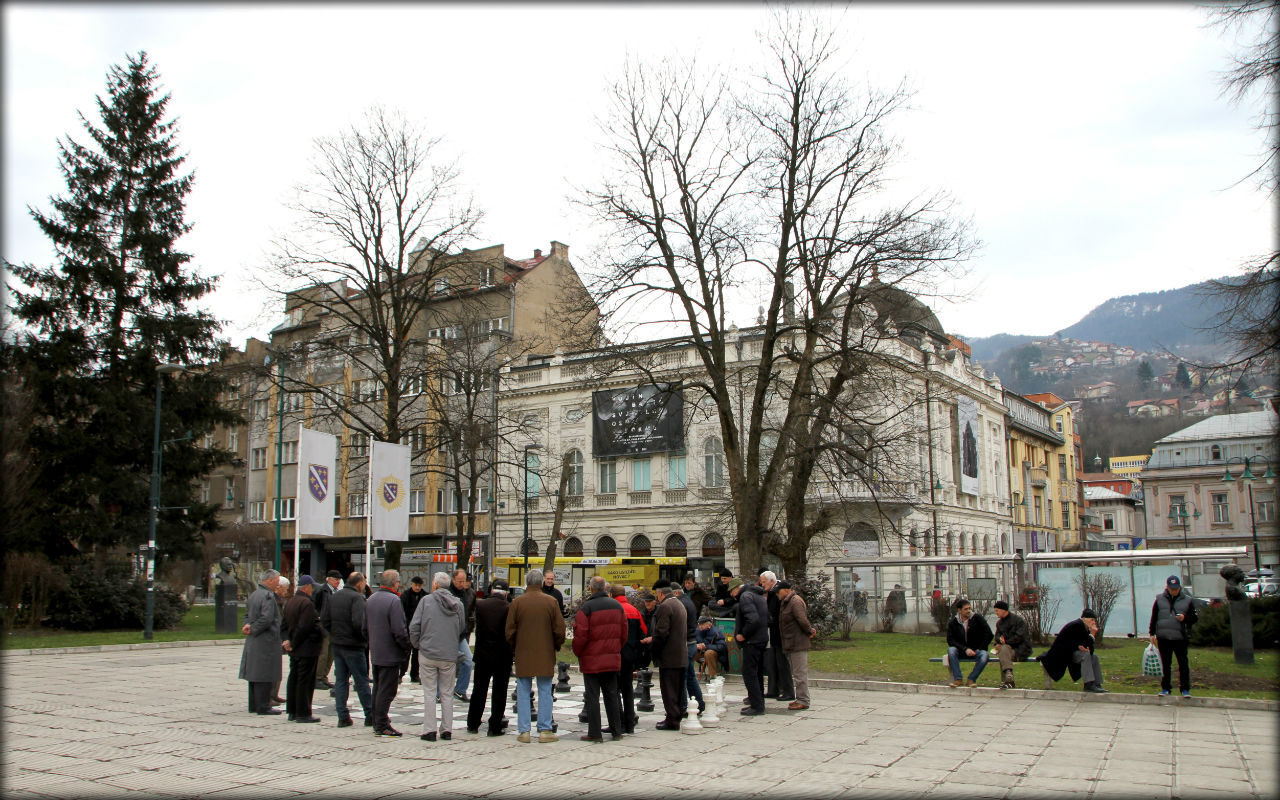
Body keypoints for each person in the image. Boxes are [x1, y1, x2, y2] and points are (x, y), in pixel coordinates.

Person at [505, 569, 565, 743]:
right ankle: (545, 730)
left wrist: (516, 645)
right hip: (545, 651)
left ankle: (524, 731)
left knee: (523, 690)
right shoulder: (551, 601)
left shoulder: (517, 602)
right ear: (540, 583)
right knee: (545, 690)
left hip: (523, 651)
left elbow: (509, 630)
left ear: (527, 583)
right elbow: (559, 630)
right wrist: (555, 645)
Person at [409, 572, 465, 742]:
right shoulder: (458, 604)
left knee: (429, 692)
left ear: (435, 585)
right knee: (447, 693)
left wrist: (418, 644)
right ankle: (447, 729)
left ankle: (429, 730)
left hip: (428, 652)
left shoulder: (426, 601)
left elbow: (414, 626)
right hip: (448, 654)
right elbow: (461, 627)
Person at [572, 576, 628, 742]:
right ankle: (616, 731)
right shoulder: (617, 606)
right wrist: (616, 648)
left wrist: (579, 652)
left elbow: (580, 635)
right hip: (611, 658)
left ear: (591, 589)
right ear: (605, 589)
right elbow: (624, 633)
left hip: (591, 660)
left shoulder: (586, 608)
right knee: (612, 694)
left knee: (592, 697)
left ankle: (595, 733)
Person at [321, 572, 374, 728]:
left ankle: (342, 716)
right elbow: (359, 623)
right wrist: (364, 638)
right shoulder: (357, 598)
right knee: (361, 680)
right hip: (354, 645)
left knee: (341, 681)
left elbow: (325, 620)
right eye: (364, 582)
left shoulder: (334, 596)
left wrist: (334, 634)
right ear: (358, 584)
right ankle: (370, 714)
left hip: (338, 643)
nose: (365, 586)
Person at [365, 569, 411, 736]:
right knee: (387, 690)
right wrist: (406, 646)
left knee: (378, 687)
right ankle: (382, 723)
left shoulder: (371, 599)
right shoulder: (394, 600)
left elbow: (365, 626)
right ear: (396, 583)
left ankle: (377, 719)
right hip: (391, 652)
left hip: (376, 651)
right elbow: (399, 629)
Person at [467, 579, 513, 736]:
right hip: (502, 656)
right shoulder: (509, 607)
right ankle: (494, 725)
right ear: (506, 593)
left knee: (479, 689)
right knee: (500, 691)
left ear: (492, 590)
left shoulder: (481, 605)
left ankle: (472, 723)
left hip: (482, 654)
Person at [643, 583, 688, 731]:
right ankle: (676, 716)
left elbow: (662, 632)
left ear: (661, 594)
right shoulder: (679, 604)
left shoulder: (665, 607)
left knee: (669, 689)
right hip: (680, 654)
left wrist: (653, 645)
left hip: (669, 656)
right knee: (678, 689)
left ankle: (672, 719)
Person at [239, 569, 284, 715]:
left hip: (254, 640)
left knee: (254, 673)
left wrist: (247, 626)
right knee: (264, 673)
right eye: (277, 581)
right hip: (266, 640)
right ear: (269, 580)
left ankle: (253, 705)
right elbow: (267, 618)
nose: (278, 584)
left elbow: (247, 614)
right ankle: (263, 706)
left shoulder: (254, 594)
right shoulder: (268, 596)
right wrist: (253, 628)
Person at [282, 575, 323, 723]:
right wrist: (294, 642)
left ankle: (292, 711)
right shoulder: (306, 603)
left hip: (295, 648)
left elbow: (284, 625)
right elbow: (305, 626)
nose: (312, 590)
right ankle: (303, 712)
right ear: (306, 587)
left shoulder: (290, 602)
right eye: (311, 587)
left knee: (294, 677)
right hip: (306, 648)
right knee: (305, 681)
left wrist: (287, 640)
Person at [1150, 575, 1198, 697]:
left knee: (1183, 664)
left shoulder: (1187, 600)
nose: (1174, 591)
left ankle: (1185, 689)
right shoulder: (1159, 599)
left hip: (1180, 637)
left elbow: (1194, 618)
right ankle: (1166, 688)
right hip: (1163, 637)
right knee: (1165, 664)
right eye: (1172, 588)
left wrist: (1185, 618)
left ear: (1179, 587)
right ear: (1167, 587)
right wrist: (1152, 633)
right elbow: (1154, 617)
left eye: (1176, 588)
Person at [1040, 609, 1107, 693]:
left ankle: (1097, 684)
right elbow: (1082, 643)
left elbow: (1089, 648)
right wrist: (1092, 634)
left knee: (1094, 657)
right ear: (1084, 619)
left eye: (1094, 620)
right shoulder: (1077, 626)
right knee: (1085, 656)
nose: (1093, 622)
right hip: (1063, 655)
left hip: (1071, 653)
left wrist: (1085, 645)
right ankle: (1088, 684)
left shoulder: (1084, 627)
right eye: (1091, 620)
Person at [610, 584, 646, 734]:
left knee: (614, 689)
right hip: (631, 655)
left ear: (611, 594)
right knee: (628, 690)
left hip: (615, 654)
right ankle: (630, 723)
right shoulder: (635, 611)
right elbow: (643, 632)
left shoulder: (612, 609)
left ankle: (618, 722)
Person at [777, 580, 816, 710]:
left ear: (786, 590)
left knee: (800, 674)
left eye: (778, 591)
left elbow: (802, 620)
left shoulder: (795, 601)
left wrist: (810, 631)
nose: (777, 594)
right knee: (797, 673)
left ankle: (803, 700)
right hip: (792, 642)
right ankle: (799, 698)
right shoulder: (787, 602)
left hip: (798, 642)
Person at [732, 577, 768, 715]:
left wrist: (743, 634)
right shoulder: (758, 595)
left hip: (752, 641)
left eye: (732, 591)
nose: (731, 595)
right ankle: (758, 703)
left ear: (737, 589)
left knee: (749, 673)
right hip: (761, 639)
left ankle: (756, 706)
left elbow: (753, 620)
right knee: (757, 672)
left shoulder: (746, 597)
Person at [669, 582, 705, 716]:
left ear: (676, 593)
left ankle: (683, 707)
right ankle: (699, 704)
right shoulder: (688, 601)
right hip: (692, 642)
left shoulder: (680, 604)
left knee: (682, 678)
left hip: (684, 643)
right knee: (690, 676)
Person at [760, 571, 794, 701]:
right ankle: (773, 689)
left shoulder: (777, 594)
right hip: (773, 635)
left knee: (782, 663)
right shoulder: (770, 594)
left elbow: (778, 614)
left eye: (764, 582)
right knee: (772, 663)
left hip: (779, 634)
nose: (762, 585)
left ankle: (788, 690)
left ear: (771, 581)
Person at [945, 598, 994, 687]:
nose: (968, 611)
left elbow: (989, 634)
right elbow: (950, 640)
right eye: (966, 609)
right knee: (951, 650)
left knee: (984, 655)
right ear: (959, 610)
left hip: (976, 650)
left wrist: (979, 648)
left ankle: (971, 679)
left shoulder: (977, 618)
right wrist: (965, 649)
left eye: (969, 608)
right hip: (961, 650)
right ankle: (958, 679)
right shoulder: (953, 622)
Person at [448, 569, 477, 702]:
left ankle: (460, 690)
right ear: (453, 580)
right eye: (459, 581)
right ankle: (438, 693)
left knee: (468, 661)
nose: (461, 584)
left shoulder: (468, 593)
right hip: (448, 634)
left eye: (463, 581)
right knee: (444, 664)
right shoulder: (448, 593)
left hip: (461, 633)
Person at [992, 600, 1033, 689]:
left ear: (1003, 610)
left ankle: (1007, 680)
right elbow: (997, 636)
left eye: (997, 610)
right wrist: (998, 643)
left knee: (1003, 650)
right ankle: (1008, 677)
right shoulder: (999, 623)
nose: (996, 613)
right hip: (1007, 650)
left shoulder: (1018, 621)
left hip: (1020, 649)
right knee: (1003, 650)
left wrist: (1005, 642)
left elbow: (1020, 637)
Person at [313, 570, 342, 690]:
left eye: (339, 580)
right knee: (323, 653)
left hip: (333, 625)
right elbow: (316, 607)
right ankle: (318, 677)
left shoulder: (336, 592)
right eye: (335, 579)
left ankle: (324, 676)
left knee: (331, 654)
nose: (338, 581)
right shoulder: (322, 591)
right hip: (324, 626)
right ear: (328, 579)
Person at [400, 576, 427, 683]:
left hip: (419, 629)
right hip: (407, 628)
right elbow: (402, 612)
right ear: (411, 584)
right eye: (415, 585)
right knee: (406, 653)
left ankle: (415, 674)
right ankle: (402, 673)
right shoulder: (405, 595)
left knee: (416, 653)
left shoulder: (424, 596)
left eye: (419, 586)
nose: (417, 588)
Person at [694, 615, 727, 680]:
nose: (700, 626)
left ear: (708, 625)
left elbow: (721, 647)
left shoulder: (716, 632)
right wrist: (696, 646)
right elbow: (691, 641)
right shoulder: (697, 632)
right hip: (700, 653)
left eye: (702, 625)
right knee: (689, 650)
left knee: (709, 653)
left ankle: (713, 677)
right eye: (699, 624)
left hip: (715, 654)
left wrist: (706, 646)